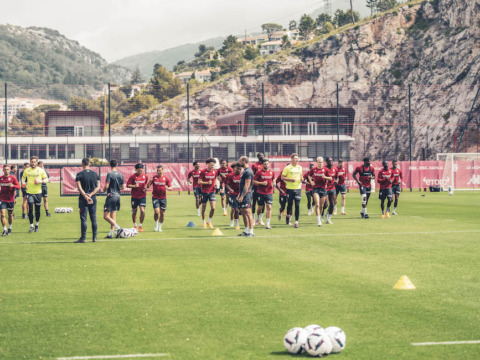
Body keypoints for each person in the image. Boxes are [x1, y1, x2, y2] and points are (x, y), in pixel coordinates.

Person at [74, 158, 100, 243]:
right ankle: (94, 238)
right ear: (89, 164)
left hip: (83, 199)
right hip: (93, 198)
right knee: (93, 218)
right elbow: (98, 187)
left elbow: (79, 187)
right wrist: (91, 195)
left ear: (82, 164)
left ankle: (83, 238)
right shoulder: (95, 174)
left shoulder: (79, 174)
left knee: (84, 219)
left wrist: (85, 195)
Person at [22, 156, 48, 232]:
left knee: (37, 210)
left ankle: (36, 224)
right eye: (32, 162)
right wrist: (23, 183)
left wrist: (40, 181)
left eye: (34, 162)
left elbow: (46, 179)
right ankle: (31, 226)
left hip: (38, 193)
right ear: (30, 162)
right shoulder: (27, 170)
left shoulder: (41, 170)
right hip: (29, 192)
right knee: (30, 208)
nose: (33, 163)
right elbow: (23, 178)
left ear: (37, 162)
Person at [146, 165, 173, 232]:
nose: (158, 172)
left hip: (163, 198)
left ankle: (160, 227)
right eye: (157, 170)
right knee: (156, 211)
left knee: (162, 213)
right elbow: (148, 186)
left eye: (159, 170)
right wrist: (150, 181)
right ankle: (156, 225)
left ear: (162, 170)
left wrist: (167, 188)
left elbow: (171, 187)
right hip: (155, 197)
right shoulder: (154, 178)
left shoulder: (166, 178)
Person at [102, 159, 125, 239]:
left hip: (111, 196)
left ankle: (118, 228)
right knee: (113, 215)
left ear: (110, 165)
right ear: (117, 165)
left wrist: (103, 190)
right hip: (118, 196)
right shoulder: (120, 174)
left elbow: (106, 186)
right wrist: (117, 189)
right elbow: (123, 186)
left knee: (105, 216)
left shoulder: (109, 174)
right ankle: (111, 234)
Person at [282, 153, 303, 228]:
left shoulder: (300, 168)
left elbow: (301, 176)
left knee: (297, 205)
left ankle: (296, 222)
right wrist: (290, 179)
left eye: (297, 158)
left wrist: (302, 179)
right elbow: (282, 177)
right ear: (292, 159)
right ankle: (288, 216)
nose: (297, 160)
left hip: (298, 188)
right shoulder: (287, 168)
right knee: (290, 205)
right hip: (290, 189)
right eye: (295, 158)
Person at [253, 159, 275, 229]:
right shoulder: (259, 172)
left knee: (269, 207)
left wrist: (274, 183)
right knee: (260, 208)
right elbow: (254, 182)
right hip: (261, 192)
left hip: (269, 192)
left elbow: (273, 179)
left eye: (267, 164)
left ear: (269, 164)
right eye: (265, 164)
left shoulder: (272, 172)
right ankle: (258, 218)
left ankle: (268, 224)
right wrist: (262, 183)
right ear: (262, 165)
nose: (266, 165)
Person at [309, 157, 330, 226]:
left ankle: (319, 216)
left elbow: (330, 178)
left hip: (323, 189)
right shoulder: (314, 170)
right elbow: (309, 175)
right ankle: (318, 220)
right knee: (317, 204)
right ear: (317, 162)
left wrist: (325, 177)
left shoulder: (326, 169)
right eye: (319, 162)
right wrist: (311, 181)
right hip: (315, 189)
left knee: (321, 206)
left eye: (322, 162)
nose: (321, 164)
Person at [127, 163, 148, 232]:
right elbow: (127, 185)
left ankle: (140, 226)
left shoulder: (145, 176)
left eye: (141, 170)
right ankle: (135, 224)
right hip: (134, 197)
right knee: (134, 212)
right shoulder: (132, 176)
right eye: (139, 170)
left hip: (142, 196)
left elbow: (146, 185)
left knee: (142, 211)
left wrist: (145, 188)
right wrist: (134, 186)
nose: (140, 172)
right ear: (136, 170)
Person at [0, 164, 20, 236]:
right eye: (5, 170)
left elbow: (19, 186)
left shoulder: (13, 178)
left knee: (10, 214)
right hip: (2, 199)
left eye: (7, 169)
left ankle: (10, 228)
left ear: (9, 170)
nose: (6, 171)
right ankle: (4, 229)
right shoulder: (1, 178)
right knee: (2, 214)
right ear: (3, 170)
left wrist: (13, 185)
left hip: (10, 199)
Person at [198, 158, 218, 229]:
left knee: (213, 208)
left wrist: (215, 184)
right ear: (207, 164)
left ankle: (209, 221)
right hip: (204, 192)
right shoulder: (203, 172)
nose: (212, 166)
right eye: (211, 165)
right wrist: (206, 183)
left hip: (212, 192)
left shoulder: (215, 172)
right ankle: (204, 222)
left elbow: (215, 179)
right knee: (204, 208)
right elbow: (199, 182)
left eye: (213, 165)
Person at [237, 156, 254, 237]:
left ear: (244, 161)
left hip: (246, 195)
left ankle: (251, 232)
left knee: (248, 212)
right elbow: (242, 185)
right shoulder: (244, 171)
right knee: (243, 212)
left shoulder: (248, 171)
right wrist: (239, 195)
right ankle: (246, 231)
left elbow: (247, 185)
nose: (239, 162)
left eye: (240, 161)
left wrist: (242, 196)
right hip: (243, 195)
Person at [225, 163, 242, 229]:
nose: (239, 170)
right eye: (238, 168)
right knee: (234, 209)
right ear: (235, 168)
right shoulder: (230, 175)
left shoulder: (243, 175)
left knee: (241, 210)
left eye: (240, 169)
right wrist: (230, 189)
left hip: (241, 194)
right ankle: (235, 223)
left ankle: (238, 221)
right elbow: (227, 184)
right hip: (233, 194)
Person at [251, 152, 265, 222]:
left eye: (262, 155)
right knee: (254, 202)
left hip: (263, 187)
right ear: (258, 157)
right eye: (260, 156)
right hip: (256, 186)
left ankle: (260, 219)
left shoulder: (265, 165)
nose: (261, 157)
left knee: (263, 203)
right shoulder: (255, 165)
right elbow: (252, 176)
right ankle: (253, 218)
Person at [324, 157, 338, 225]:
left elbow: (337, 177)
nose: (331, 162)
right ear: (326, 162)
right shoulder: (324, 169)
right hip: (325, 188)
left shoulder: (335, 169)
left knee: (332, 204)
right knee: (325, 205)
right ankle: (321, 214)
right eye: (329, 161)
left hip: (332, 188)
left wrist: (336, 181)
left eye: (331, 160)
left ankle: (328, 219)